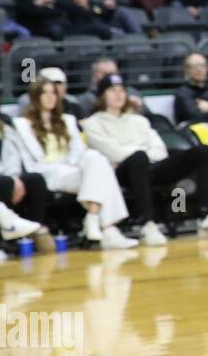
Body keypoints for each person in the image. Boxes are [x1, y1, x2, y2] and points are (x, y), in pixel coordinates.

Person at [83, 73, 208, 244]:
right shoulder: (93, 123)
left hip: (152, 166)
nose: (118, 94)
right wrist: (141, 150)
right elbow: (112, 153)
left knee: (202, 152)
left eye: (122, 90)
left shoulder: (139, 120)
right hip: (121, 174)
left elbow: (160, 150)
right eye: (112, 90)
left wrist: (139, 152)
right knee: (138, 158)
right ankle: (147, 224)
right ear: (102, 95)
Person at [14, 77, 137, 249]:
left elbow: (79, 152)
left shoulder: (68, 120)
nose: (50, 97)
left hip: (73, 169)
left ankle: (94, 218)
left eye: (54, 93)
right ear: (35, 97)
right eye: (45, 93)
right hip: (47, 173)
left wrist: (74, 164)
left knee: (96, 158)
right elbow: (28, 162)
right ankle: (106, 229)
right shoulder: (21, 125)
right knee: (102, 173)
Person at [0, 84, 45, 256]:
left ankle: (31, 234)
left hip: (6, 174)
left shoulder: (6, 125)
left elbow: (16, 156)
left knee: (35, 179)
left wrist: (15, 178)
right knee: (2, 183)